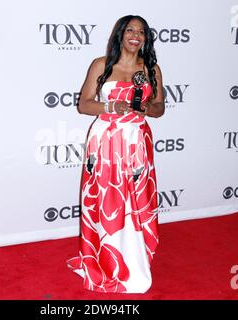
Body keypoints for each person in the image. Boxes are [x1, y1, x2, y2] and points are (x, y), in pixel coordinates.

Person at [67, 15, 165, 293]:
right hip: (106, 142)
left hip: (137, 140)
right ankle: (105, 261)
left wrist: (146, 109)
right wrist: (111, 107)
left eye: (142, 32)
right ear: (120, 34)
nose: (136, 35)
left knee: (137, 200)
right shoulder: (101, 65)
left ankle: (135, 261)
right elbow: (84, 105)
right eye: (130, 30)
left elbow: (160, 108)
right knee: (108, 200)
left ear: (146, 38)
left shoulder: (152, 69)